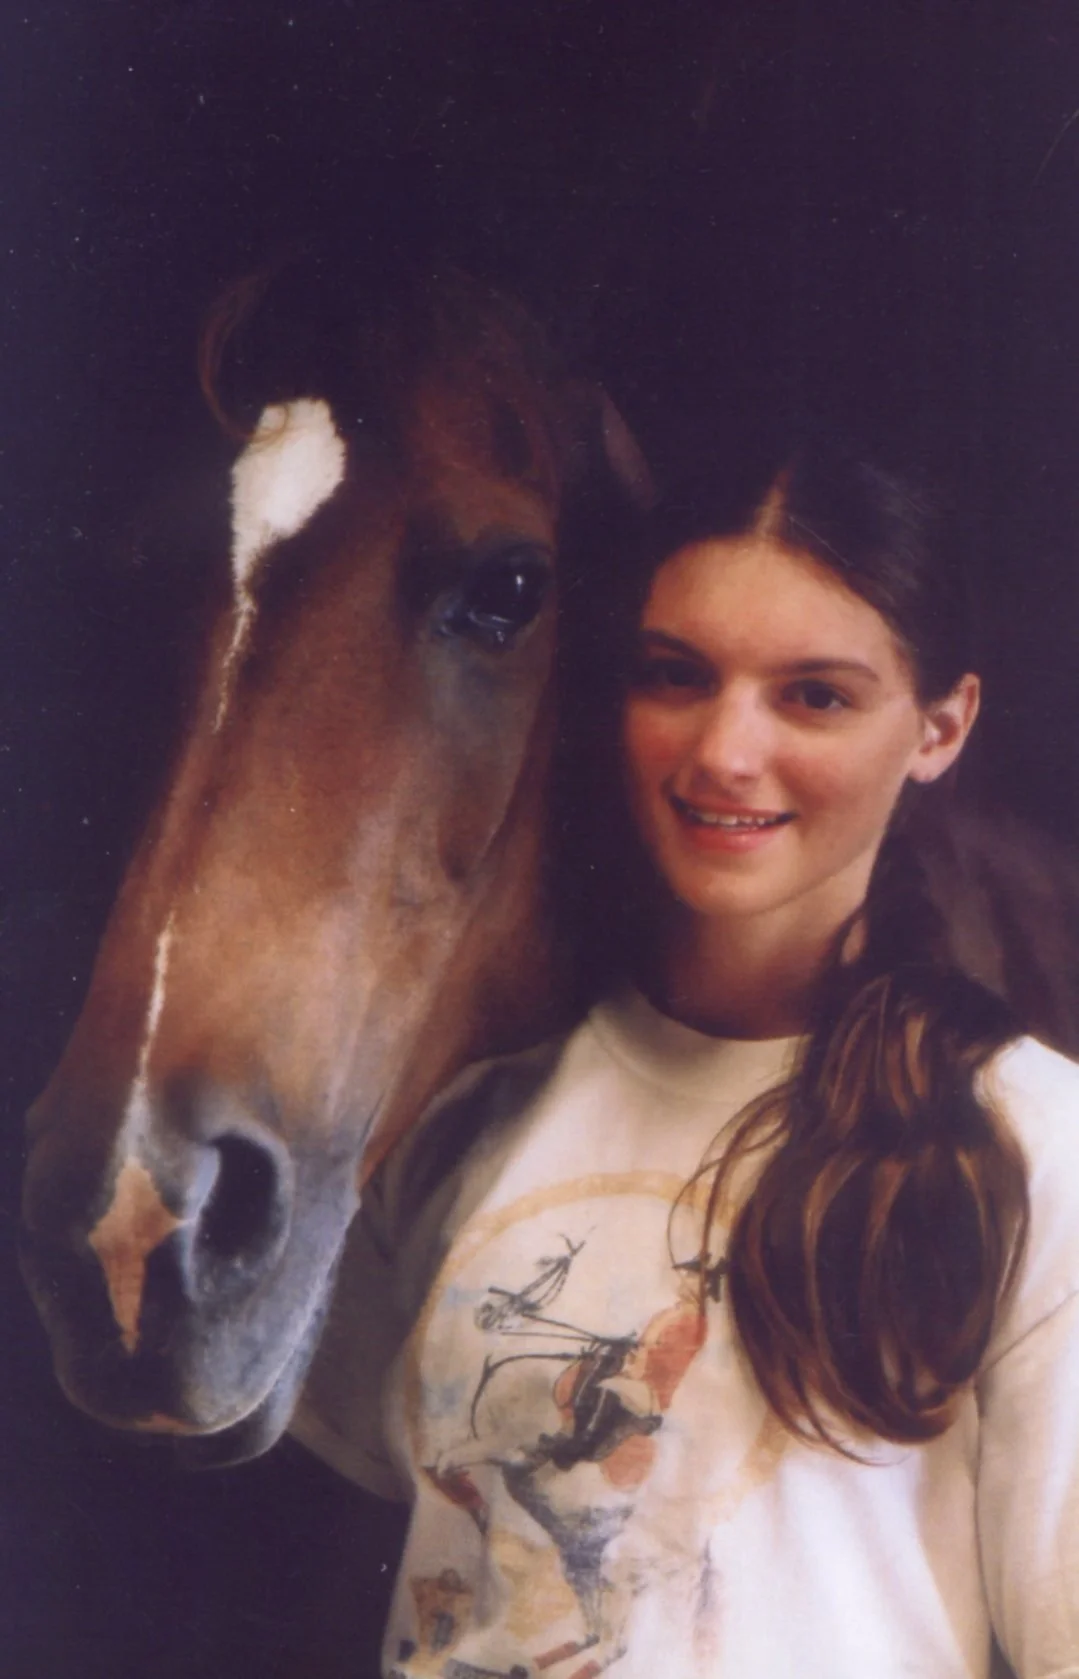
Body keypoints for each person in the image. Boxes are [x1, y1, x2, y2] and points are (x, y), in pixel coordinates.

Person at [292, 434, 1079, 1679]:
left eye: (812, 693)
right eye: (676, 674)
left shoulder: (1029, 1145)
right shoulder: (463, 1115)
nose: (721, 751)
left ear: (938, 726)